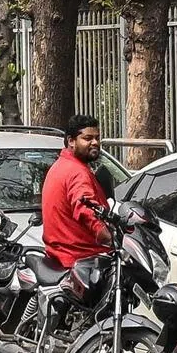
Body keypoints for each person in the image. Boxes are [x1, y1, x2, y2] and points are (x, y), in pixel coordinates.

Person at [41, 114, 111, 269]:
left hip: (61, 257)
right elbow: (86, 208)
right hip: (81, 260)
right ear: (71, 141)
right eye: (87, 138)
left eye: (97, 138)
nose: (95, 143)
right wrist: (104, 233)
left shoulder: (61, 165)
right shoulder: (77, 172)